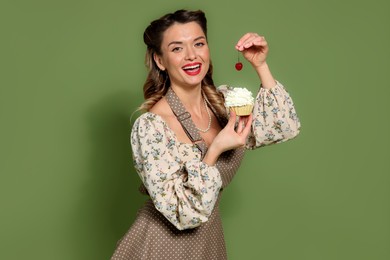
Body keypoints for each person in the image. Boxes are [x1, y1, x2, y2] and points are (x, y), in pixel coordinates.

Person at [111, 9, 300, 260]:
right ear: (160, 60)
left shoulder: (224, 105)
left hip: (207, 244)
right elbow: (185, 213)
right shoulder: (152, 127)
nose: (192, 55)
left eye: (198, 44)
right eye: (177, 48)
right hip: (161, 247)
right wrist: (215, 150)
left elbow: (284, 126)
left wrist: (260, 65)